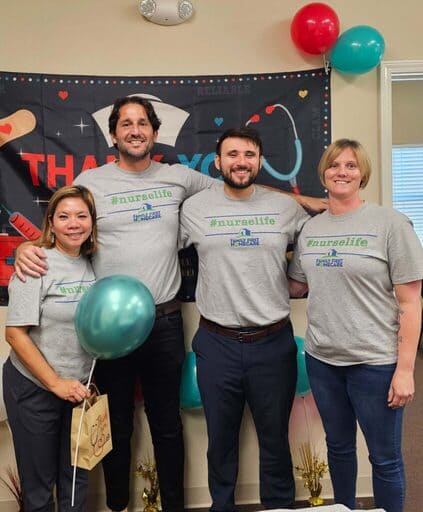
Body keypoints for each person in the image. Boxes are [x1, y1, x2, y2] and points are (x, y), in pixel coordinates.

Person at [13, 96, 327, 512]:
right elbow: (63, 222)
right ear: (113, 135)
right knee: (116, 424)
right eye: (126, 124)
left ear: (155, 133)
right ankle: (120, 505)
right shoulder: (92, 182)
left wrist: (311, 203)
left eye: (143, 123)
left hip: (163, 320)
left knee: (166, 424)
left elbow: (241, 186)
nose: (135, 130)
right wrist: (27, 249)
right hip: (108, 329)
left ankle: (175, 506)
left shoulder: (179, 177)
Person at [288, 139, 423, 512]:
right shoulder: (311, 231)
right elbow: (296, 285)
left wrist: (405, 370)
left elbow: (411, 302)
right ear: (324, 173)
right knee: (339, 448)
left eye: (351, 165)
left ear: (363, 174)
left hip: (375, 363)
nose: (342, 172)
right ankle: (342, 508)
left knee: (385, 458)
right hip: (323, 360)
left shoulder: (390, 223)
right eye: (334, 165)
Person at [179, 127, 309, 511]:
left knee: (274, 440)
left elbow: (316, 241)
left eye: (249, 154)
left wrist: (297, 279)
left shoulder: (285, 208)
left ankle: (279, 507)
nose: (241, 162)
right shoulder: (195, 208)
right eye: (232, 154)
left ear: (260, 161)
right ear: (218, 162)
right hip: (217, 343)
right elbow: (151, 245)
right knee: (221, 442)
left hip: (273, 343)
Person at [3, 185, 97, 512]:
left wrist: (74, 386)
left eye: (81, 216)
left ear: (92, 222)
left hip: (81, 389)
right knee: (40, 487)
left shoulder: (97, 264)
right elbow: (15, 334)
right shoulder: (36, 264)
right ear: (51, 223)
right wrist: (55, 383)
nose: (74, 223)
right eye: (64, 216)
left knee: (76, 481)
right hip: (35, 387)